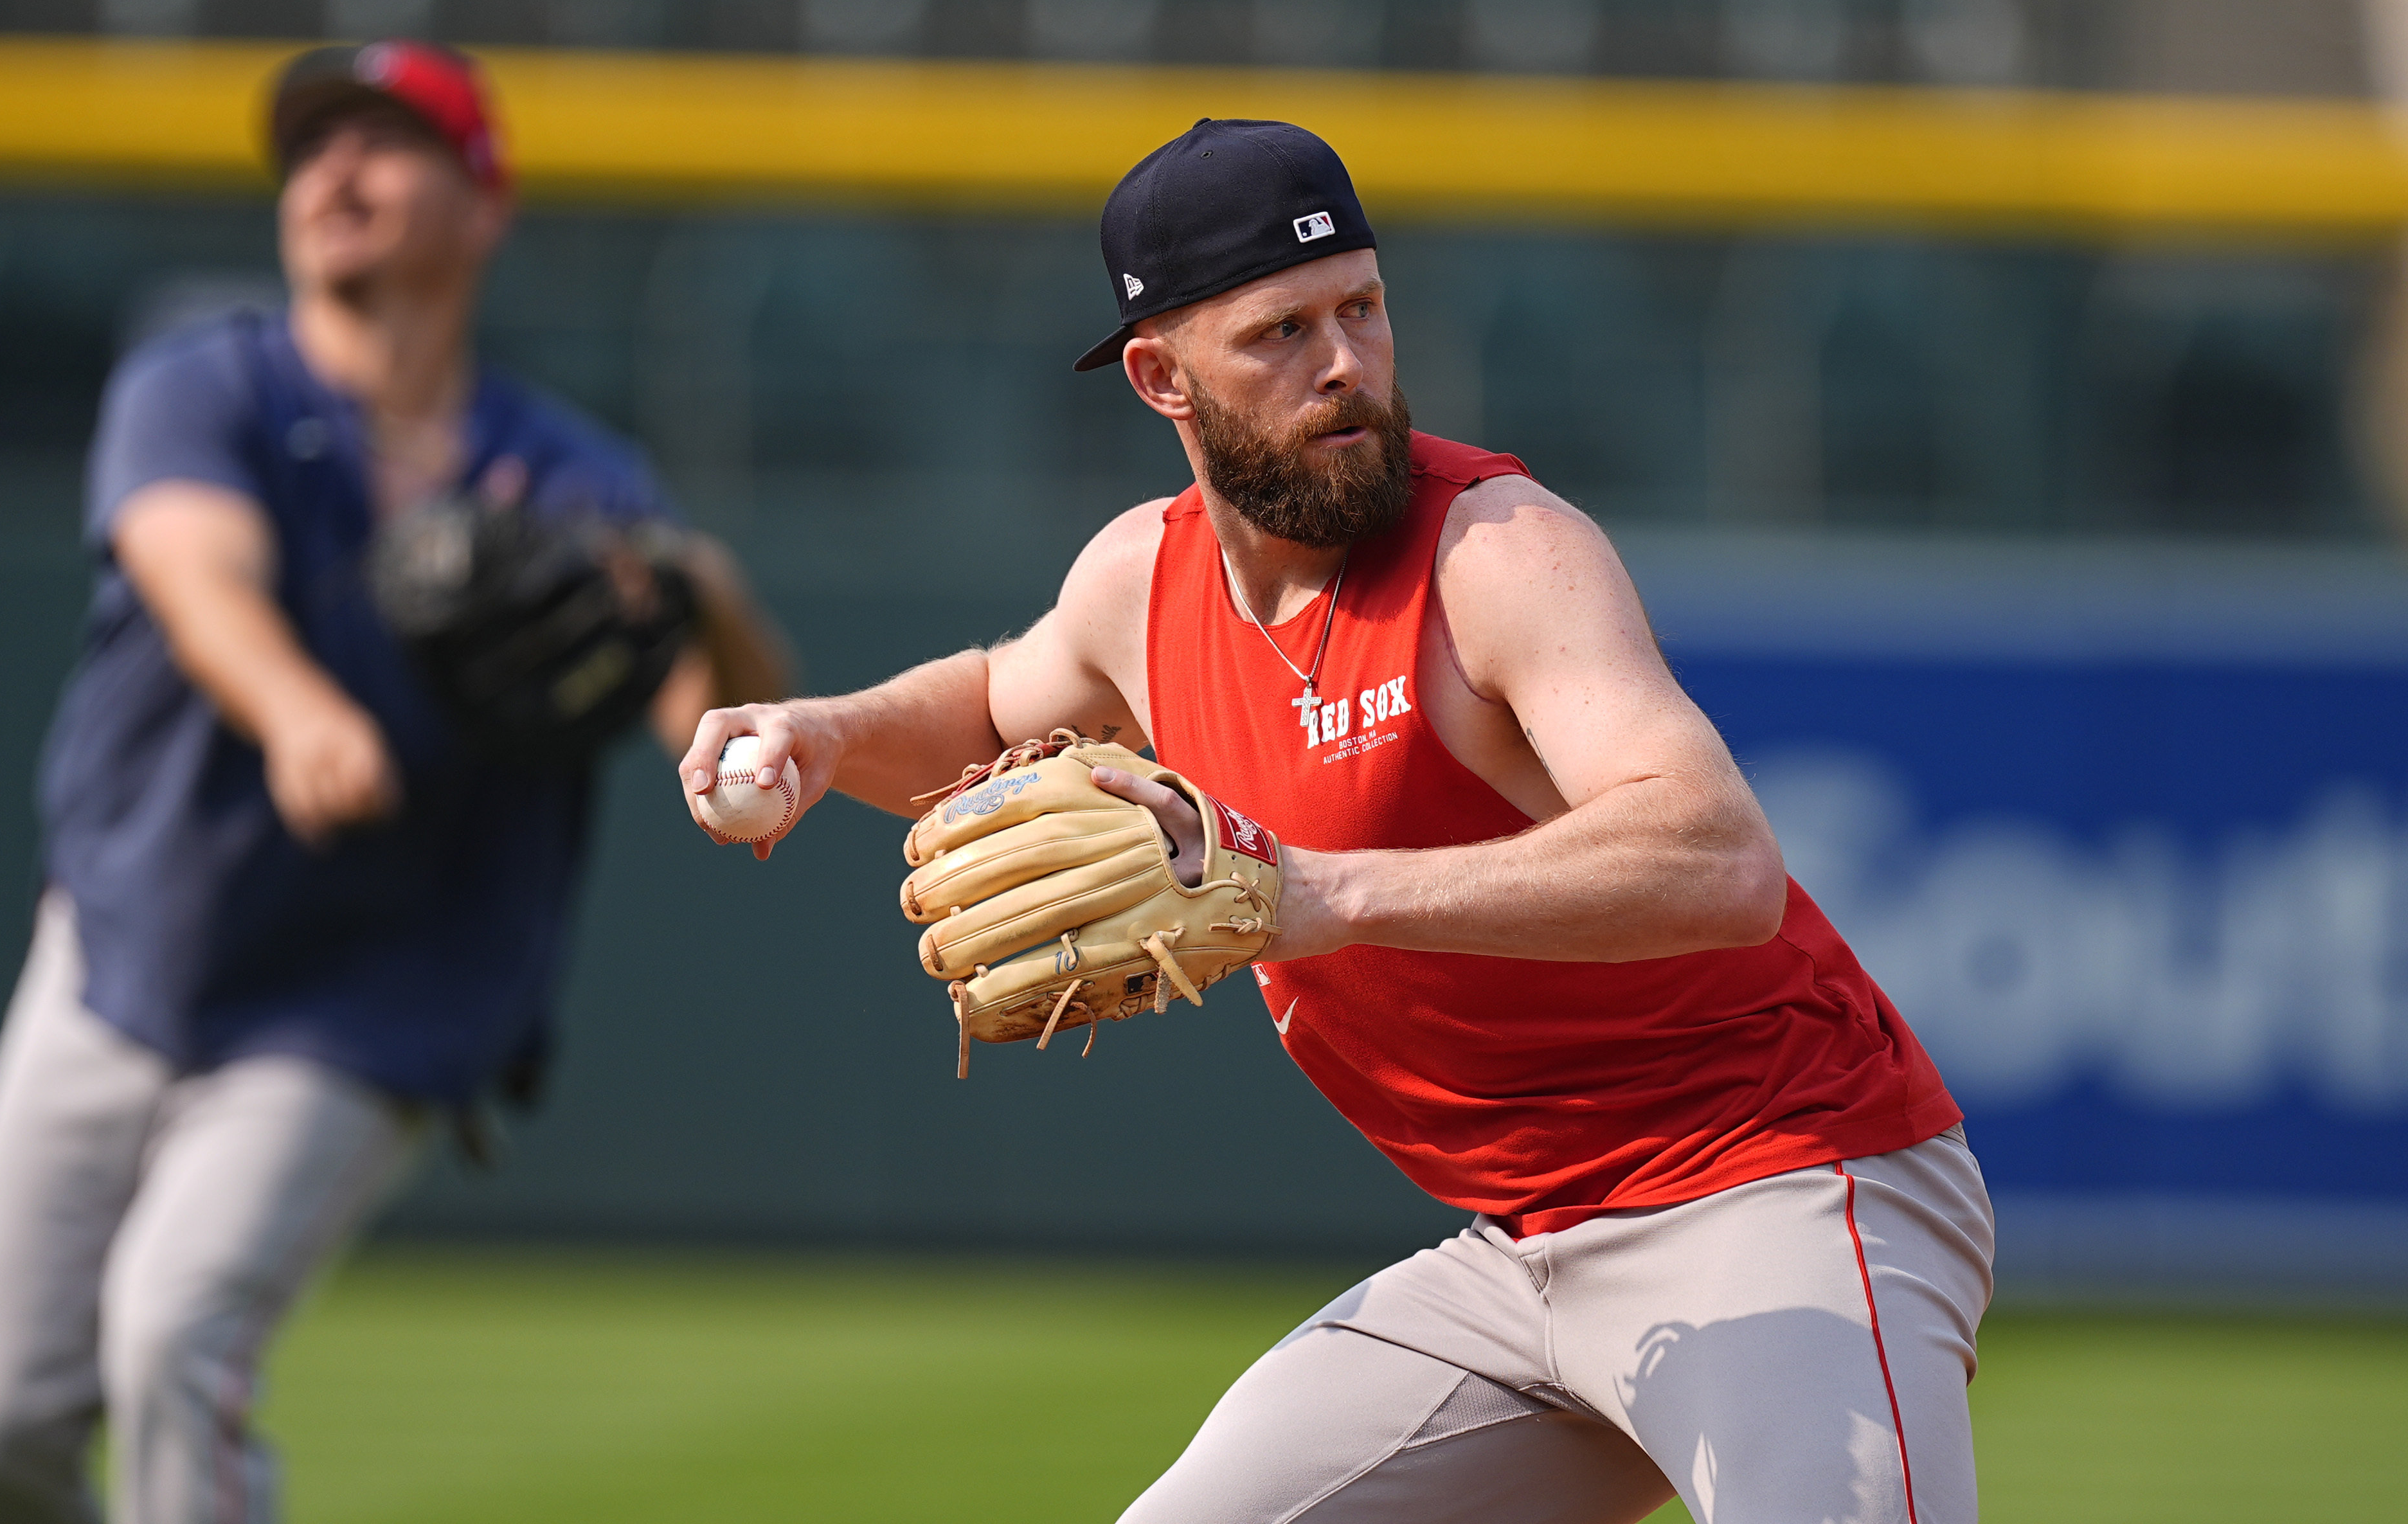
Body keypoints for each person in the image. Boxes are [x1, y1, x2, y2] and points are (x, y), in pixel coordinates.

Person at [679, 120, 1989, 1523]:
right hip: (1521, 1254)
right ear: (1160, 376)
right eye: (1282, 332)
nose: (1348, 364)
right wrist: (824, 731)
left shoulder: (1499, 550)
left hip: (1775, 1187)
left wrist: (1313, 890)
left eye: (1362, 306)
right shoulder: (1141, 580)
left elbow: (1719, 858)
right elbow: (991, 706)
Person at [0, 40, 789, 1524]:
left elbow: (719, 721)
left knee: (173, 1333)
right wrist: (298, 704)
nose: (334, 170)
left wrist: (702, 592)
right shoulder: (206, 383)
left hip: (376, 996)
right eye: (314, 143)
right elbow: (194, 569)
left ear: (485, 199)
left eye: (388, 142)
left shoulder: (570, 475)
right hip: (129, 940)